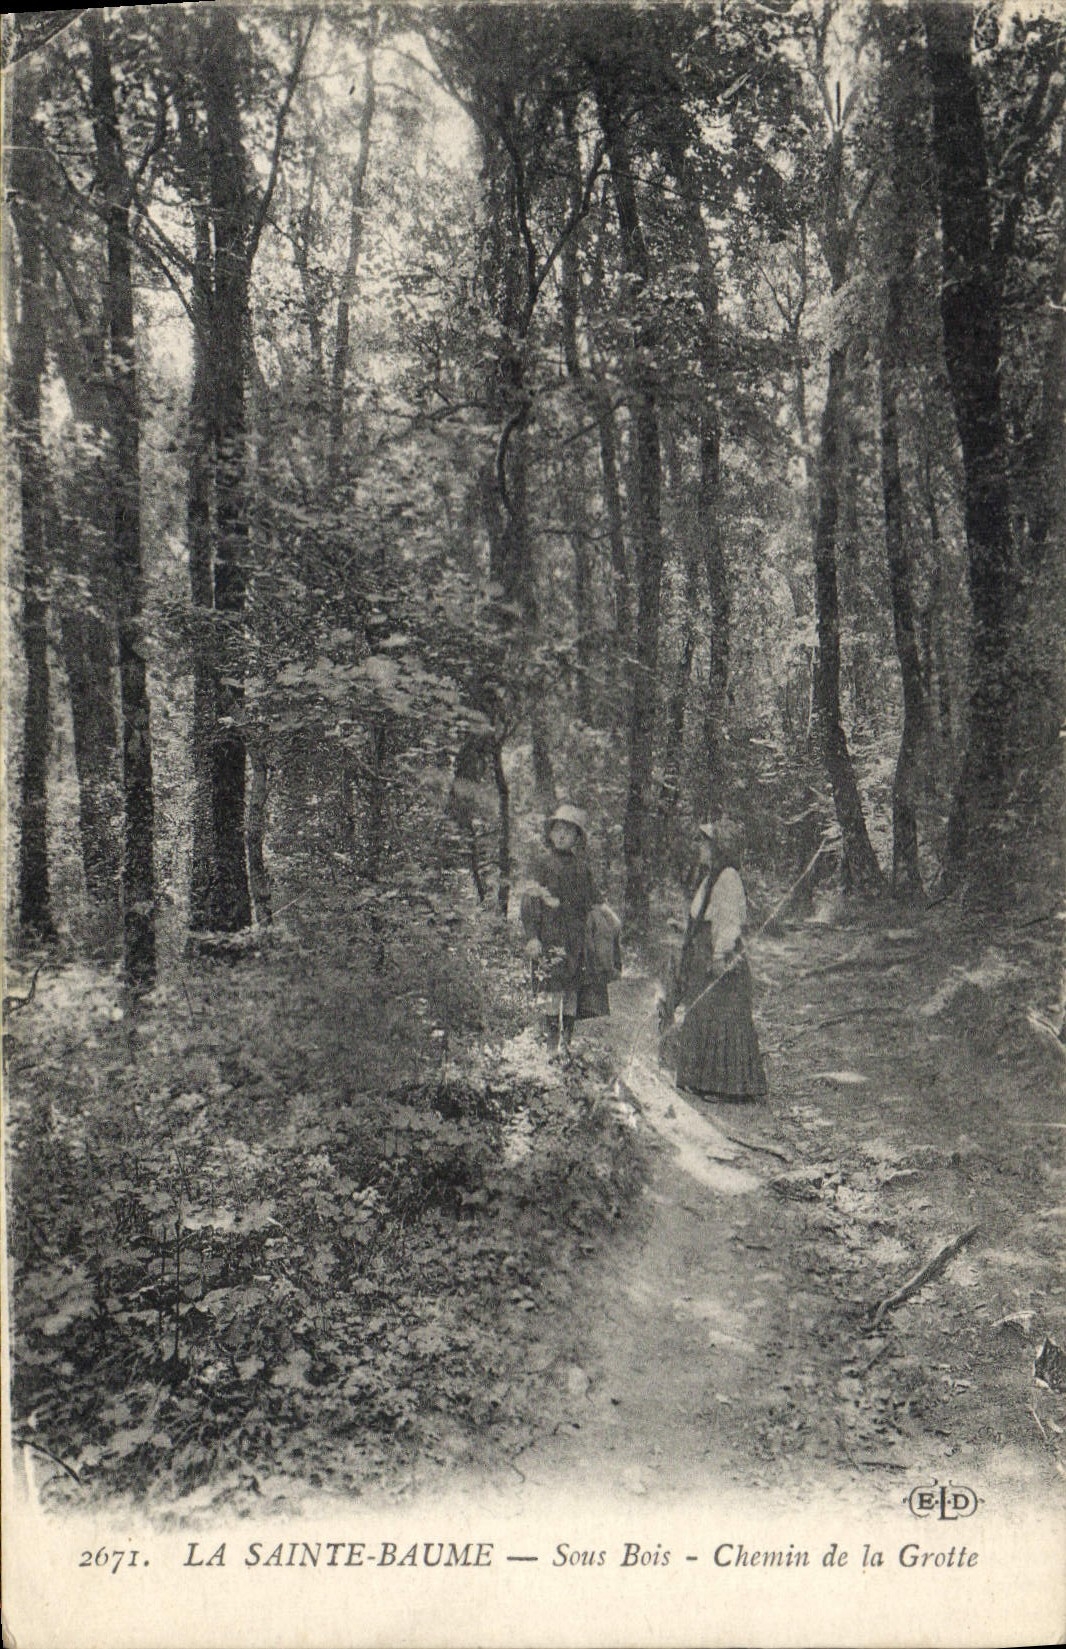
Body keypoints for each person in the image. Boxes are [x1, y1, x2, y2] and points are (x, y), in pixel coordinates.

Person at [660, 818, 767, 1100]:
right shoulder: (711, 877)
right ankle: (701, 1080)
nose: (701, 848)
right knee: (702, 1011)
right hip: (703, 953)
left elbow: (729, 921)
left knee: (721, 1015)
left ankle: (727, 1088)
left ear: (721, 848)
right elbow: (704, 917)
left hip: (718, 955)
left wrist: (720, 954)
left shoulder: (728, 877)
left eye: (707, 844)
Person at [520, 803, 611, 1049]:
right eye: (558, 830)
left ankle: (567, 1044)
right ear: (550, 834)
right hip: (550, 936)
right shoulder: (543, 865)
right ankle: (551, 1045)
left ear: (576, 837)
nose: (562, 835)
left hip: (576, 938)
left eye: (568, 831)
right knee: (552, 990)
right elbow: (529, 902)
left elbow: (594, 900)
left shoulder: (582, 868)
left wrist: (608, 920)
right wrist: (532, 936)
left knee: (572, 990)